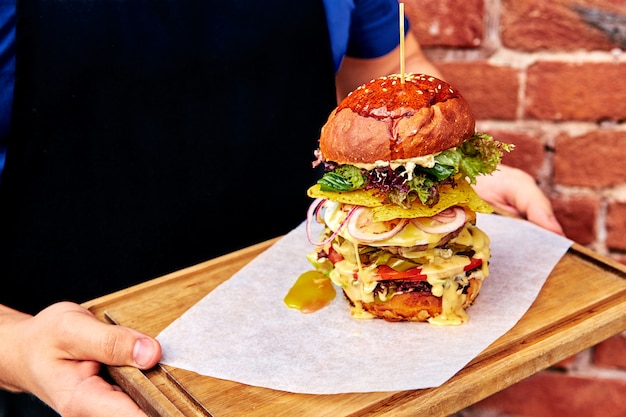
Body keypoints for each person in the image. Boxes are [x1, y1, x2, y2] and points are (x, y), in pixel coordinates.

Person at [0, 1, 563, 416]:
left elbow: (389, 68)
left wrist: (443, 178)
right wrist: (17, 349)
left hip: (334, 346)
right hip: (71, 372)